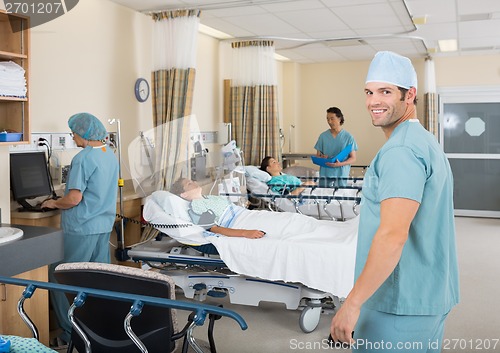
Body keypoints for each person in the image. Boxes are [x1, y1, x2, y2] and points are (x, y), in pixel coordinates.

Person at [330, 51, 459, 352]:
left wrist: (352, 303)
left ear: (409, 95)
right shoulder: (424, 142)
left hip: (399, 302)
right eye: (369, 92)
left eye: (386, 92)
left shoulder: (400, 151)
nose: (374, 101)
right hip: (429, 291)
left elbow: (392, 236)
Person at [42, 112, 119, 345]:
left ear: (84, 134)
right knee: (95, 281)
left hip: (81, 228)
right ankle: (95, 333)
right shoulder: (109, 154)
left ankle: (70, 335)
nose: (72, 137)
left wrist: (53, 202)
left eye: (73, 133)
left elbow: (74, 199)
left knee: (60, 278)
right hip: (102, 226)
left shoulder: (83, 158)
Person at [314, 107, 358, 186]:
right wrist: (322, 157)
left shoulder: (348, 137)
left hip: (341, 174)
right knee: (323, 196)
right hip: (325, 174)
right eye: (327, 119)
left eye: (332, 118)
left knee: (339, 196)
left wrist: (340, 164)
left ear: (339, 119)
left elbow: (353, 158)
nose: (329, 121)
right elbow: (318, 155)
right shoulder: (323, 136)